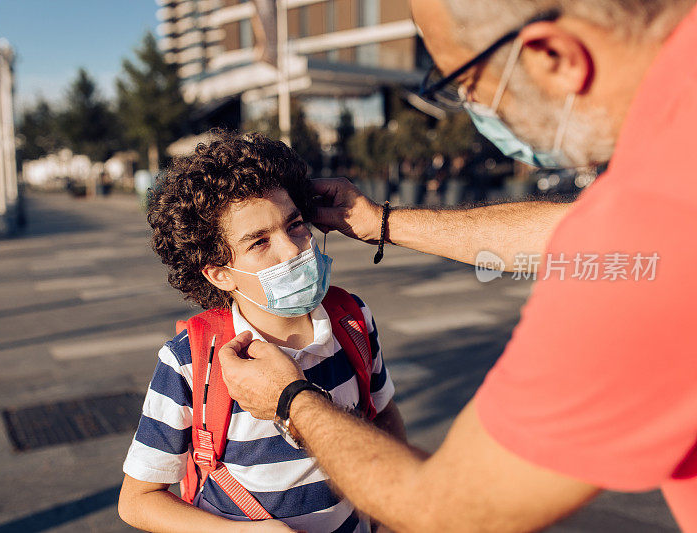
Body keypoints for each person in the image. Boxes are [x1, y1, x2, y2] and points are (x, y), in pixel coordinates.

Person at [217, 1, 697, 531]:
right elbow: (581, 234)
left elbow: (446, 509)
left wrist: (290, 401)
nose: (469, 105)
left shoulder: (660, 219)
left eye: (465, 81)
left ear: (555, 55)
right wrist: (384, 222)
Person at [117, 131, 405, 532]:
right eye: (259, 242)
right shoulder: (189, 361)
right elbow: (137, 499)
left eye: (296, 225)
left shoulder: (352, 320)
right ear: (219, 274)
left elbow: (385, 417)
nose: (291, 250)